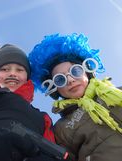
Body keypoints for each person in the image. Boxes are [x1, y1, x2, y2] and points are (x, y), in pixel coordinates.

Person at [28, 33, 122, 161]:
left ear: (87, 71)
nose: (71, 80)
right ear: (55, 89)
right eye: (60, 79)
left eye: (75, 71)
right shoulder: (62, 129)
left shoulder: (117, 92)